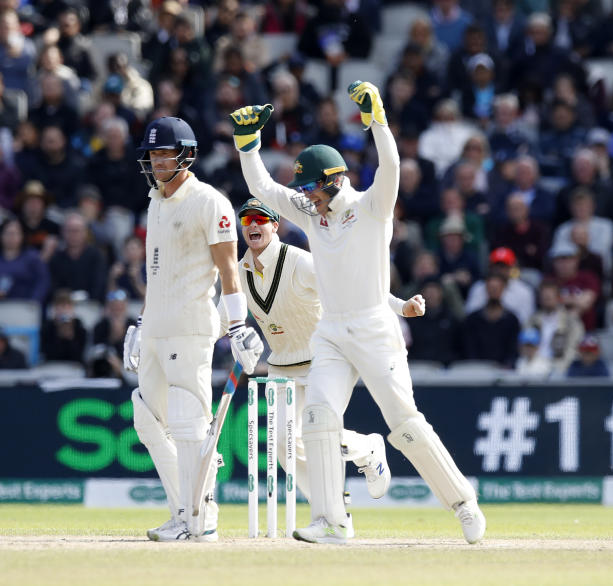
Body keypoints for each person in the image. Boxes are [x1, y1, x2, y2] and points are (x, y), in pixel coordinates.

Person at [228, 83, 485, 544]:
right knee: (318, 418)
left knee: (404, 423)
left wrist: (378, 120)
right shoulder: (313, 215)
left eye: (310, 188)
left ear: (333, 179)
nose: (305, 197)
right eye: (303, 190)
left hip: (373, 328)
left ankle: (463, 503)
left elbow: (392, 166)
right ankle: (332, 521)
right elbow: (264, 188)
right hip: (329, 332)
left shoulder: (371, 207)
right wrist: (248, 146)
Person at [221, 198, 428, 512]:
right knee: (283, 444)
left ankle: (356, 469)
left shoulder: (300, 262)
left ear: (275, 226)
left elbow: (352, 287)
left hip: (324, 359)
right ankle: (332, 500)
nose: (253, 226)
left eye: (261, 220)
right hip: (282, 364)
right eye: (247, 220)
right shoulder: (240, 272)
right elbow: (221, 319)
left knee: (317, 432)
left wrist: (400, 306)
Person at [122, 117, 265, 542]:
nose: (157, 162)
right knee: (147, 421)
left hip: (191, 329)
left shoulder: (210, 202)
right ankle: (182, 511)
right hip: (157, 328)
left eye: (165, 153)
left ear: (186, 154)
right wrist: (143, 321)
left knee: (188, 422)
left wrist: (237, 326)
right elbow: (157, 273)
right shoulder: (155, 202)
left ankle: (202, 516)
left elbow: (228, 271)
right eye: (152, 155)